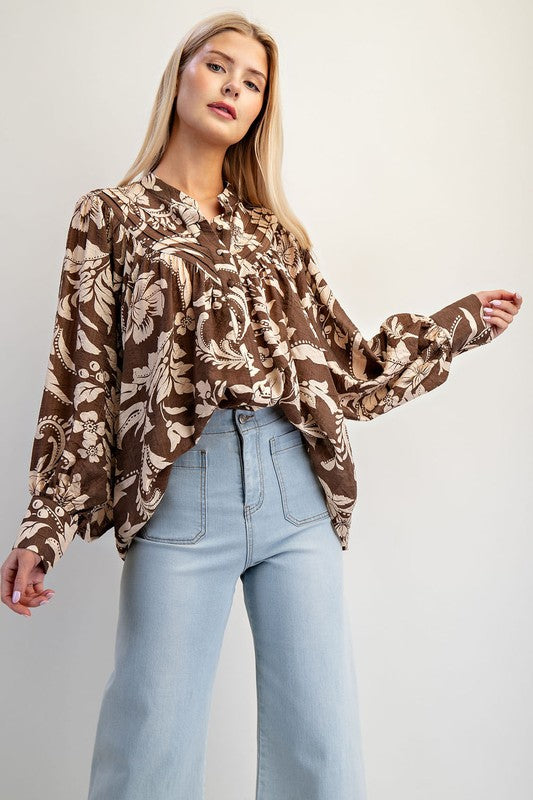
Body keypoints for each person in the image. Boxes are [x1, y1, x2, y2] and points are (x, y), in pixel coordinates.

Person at [1, 11, 522, 800]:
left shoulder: (273, 234)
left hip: (293, 487)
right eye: (218, 66)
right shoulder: (110, 215)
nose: (232, 89)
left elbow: (344, 368)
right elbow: (83, 380)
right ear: (180, 74)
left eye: (252, 84)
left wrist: (455, 326)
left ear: (258, 112)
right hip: (182, 493)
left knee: (321, 752)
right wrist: (45, 527)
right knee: (149, 748)